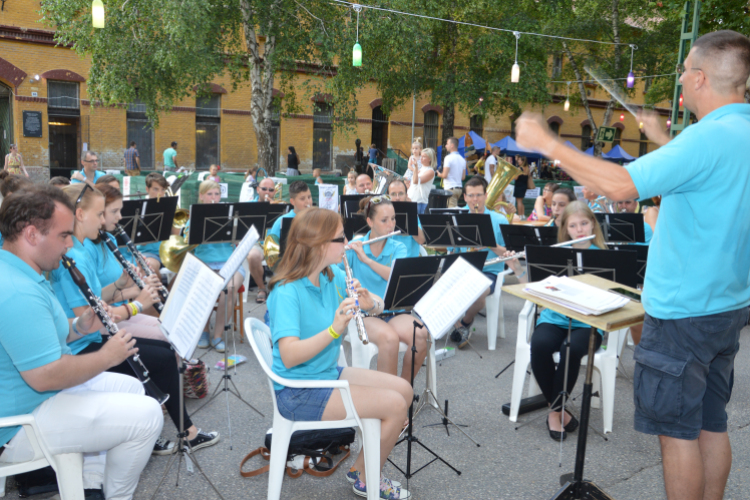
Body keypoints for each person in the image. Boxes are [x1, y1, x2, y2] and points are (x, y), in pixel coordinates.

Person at [515, 29, 750, 500]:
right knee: (710, 423)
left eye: (685, 69)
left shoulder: (704, 139)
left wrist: (549, 143)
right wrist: (663, 139)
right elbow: (706, 182)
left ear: (701, 78)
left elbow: (622, 186)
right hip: (728, 306)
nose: (680, 77)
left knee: (678, 433)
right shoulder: (736, 132)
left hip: (684, 312)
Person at [0, 184, 163, 500]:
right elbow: (46, 375)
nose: (69, 244)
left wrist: (79, 326)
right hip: (16, 426)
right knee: (148, 415)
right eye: (63, 235)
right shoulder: (18, 291)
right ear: (32, 235)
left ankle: (88, 488)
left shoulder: (22, 271)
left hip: (32, 400)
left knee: (132, 388)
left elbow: (45, 338)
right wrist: (108, 356)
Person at [49, 184, 220, 455]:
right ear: (80, 215)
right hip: (80, 347)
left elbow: (95, 303)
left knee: (163, 351)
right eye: (100, 214)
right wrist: (138, 304)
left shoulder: (81, 249)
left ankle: (171, 429)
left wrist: (121, 287)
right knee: (163, 358)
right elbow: (88, 319)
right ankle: (177, 431)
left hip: (91, 337)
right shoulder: (75, 255)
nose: (105, 220)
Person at [267, 208, 412, 499]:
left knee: (404, 390)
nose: (346, 243)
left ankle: (361, 470)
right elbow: (290, 355)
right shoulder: (286, 292)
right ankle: (368, 477)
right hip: (299, 391)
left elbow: (379, 306)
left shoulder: (329, 277)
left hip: (323, 374)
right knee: (395, 406)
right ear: (320, 245)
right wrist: (334, 330)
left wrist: (369, 302)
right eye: (340, 238)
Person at [504, 201, 608, 440]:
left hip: (588, 322)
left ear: (593, 223)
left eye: (584, 223)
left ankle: (554, 411)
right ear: (566, 229)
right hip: (554, 317)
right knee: (539, 345)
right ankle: (559, 410)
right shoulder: (555, 255)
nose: (580, 229)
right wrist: (517, 268)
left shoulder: (604, 256)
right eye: (573, 225)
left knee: (570, 348)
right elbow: (532, 291)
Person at [344, 195, 430, 383]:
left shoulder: (398, 246)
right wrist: (343, 250)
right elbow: (338, 275)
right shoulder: (355, 247)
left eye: (393, 219)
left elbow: (393, 274)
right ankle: (387, 398)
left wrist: (366, 260)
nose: (391, 225)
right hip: (366, 314)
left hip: (393, 311)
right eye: (384, 220)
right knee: (389, 339)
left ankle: (403, 390)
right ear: (370, 221)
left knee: (421, 334)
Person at [449, 177, 508, 348]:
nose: (475, 200)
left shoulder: (499, 220)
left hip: (490, 270)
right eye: (471, 195)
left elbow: (508, 254)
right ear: (465, 197)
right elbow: (453, 252)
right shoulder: (457, 217)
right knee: (437, 283)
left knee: (478, 291)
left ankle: (465, 323)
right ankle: (458, 327)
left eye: (479, 195)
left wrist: (489, 243)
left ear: (486, 195)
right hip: (463, 267)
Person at [191, 180, 245, 352]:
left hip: (230, 263)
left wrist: (236, 235)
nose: (214, 198)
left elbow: (240, 240)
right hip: (204, 262)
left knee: (228, 289)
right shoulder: (195, 214)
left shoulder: (229, 214)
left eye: (216, 194)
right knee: (204, 287)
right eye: (209, 194)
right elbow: (188, 241)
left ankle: (218, 335)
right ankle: (204, 331)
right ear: (201, 196)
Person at [135, 172, 176, 275]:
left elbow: (175, 235)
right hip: (149, 252)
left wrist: (175, 217)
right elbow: (141, 242)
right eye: (156, 189)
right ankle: (159, 291)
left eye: (163, 190)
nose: (160, 194)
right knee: (151, 266)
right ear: (147, 189)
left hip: (169, 252)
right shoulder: (140, 209)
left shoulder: (168, 206)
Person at [247, 177, 279, 304]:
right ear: (257, 189)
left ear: (274, 193)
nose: (267, 192)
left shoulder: (279, 207)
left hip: (275, 242)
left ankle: (279, 287)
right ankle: (261, 288)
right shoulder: (248, 206)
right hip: (256, 243)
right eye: (264, 189)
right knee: (253, 256)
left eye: (271, 190)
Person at [387, 179, 426, 258]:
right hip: (388, 263)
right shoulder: (382, 216)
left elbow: (421, 240)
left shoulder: (414, 216)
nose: (397, 198)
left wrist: (410, 213)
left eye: (401, 193)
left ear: (406, 195)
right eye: (393, 194)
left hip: (408, 262)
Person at [436, 137, 466, 208]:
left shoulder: (448, 158)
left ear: (452, 145)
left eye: (447, 144)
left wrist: (439, 174)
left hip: (450, 189)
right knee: (454, 208)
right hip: (459, 189)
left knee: (451, 211)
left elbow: (444, 175)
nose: (446, 146)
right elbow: (463, 177)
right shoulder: (463, 160)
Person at [406, 147, 436, 214]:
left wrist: (415, 167)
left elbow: (416, 181)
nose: (421, 158)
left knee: (417, 222)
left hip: (419, 201)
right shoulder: (421, 169)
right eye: (421, 156)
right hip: (412, 199)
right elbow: (413, 183)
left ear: (430, 159)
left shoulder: (430, 171)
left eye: (424, 157)